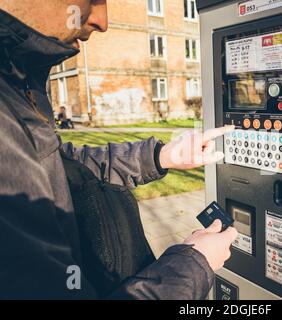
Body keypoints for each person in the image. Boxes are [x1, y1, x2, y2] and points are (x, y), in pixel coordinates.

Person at [0, 0, 237, 299]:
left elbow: (63, 167)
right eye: (93, 0)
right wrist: (192, 265)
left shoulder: (15, 82)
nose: (102, 20)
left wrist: (160, 156)